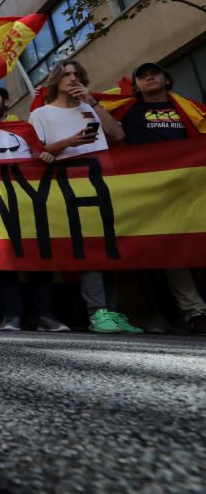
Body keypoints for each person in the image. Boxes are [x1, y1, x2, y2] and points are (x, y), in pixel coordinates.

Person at [29, 60, 140, 334]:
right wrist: (69, 142)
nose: (72, 79)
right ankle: (97, 311)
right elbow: (36, 154)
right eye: (66, 74)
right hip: (71, 188)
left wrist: (94, 103)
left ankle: (111, 310)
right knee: (90, 248)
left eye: (77, 74)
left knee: (110, 247)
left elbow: (118, 134)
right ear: (55, 80)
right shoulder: (41, 114)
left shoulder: (90, 109)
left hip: (104, 183)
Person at [0, 85, 71, 333]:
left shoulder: (24, 129)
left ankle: (46, 315)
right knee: (4, 260)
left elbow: (39, 154)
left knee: (38, 256)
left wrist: (46, 158)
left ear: (5, 100)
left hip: (28, 203)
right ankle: (11, 315)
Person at [111, 62, 206, 334]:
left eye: (154, 73)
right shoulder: (128, 113)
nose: (149, 78)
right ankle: (195, 311)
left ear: (166, 79)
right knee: (173, 250)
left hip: (193, 189)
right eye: (141, 76)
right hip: (154, 194)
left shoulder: (189, 110)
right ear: (136, 86)